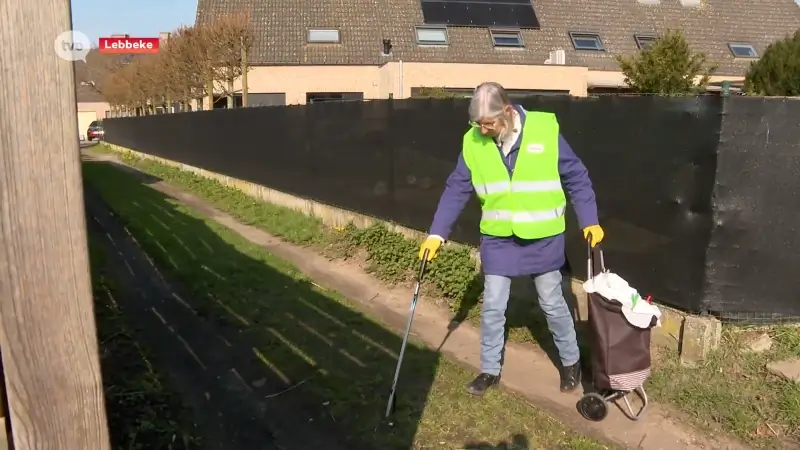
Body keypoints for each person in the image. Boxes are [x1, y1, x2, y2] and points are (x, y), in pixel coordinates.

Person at [418, 82, 604, 396]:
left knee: (552, 303)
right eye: (477, 124)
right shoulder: (473, 141)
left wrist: (589, 219)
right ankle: (490, 369)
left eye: (487, 124)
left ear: (506, 112)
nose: (483, 129)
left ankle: (571, 362)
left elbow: (576, 176)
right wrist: (437, 233)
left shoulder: (544, 130)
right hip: (499, 238)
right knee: (492, 305)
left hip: (543, 236)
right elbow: (457, 188)